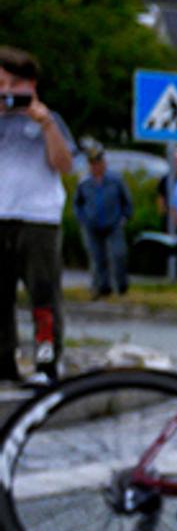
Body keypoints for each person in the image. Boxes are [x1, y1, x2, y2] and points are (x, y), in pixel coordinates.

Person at [0, 45, 79, 384]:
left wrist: (45, 124)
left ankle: (46, 364)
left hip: (38, 218)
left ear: (29, 86)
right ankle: (4, 363)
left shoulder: (51, 120)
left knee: (43, 297)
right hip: (2, 213)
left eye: (12, 85)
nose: (6, 93)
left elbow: (63, 165)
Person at [74, 141, 134, 300]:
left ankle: (121, 286)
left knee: (118, 254)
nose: (96, 167)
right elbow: (78, 203)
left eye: (98, 163)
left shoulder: (115, 180)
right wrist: (82, 219)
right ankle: (102, 287)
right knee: (97, 257)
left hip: (113, 223)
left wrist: (125, 217)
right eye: (92, 164)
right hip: (92, 225)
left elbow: (126, 200)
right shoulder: (84, 182)